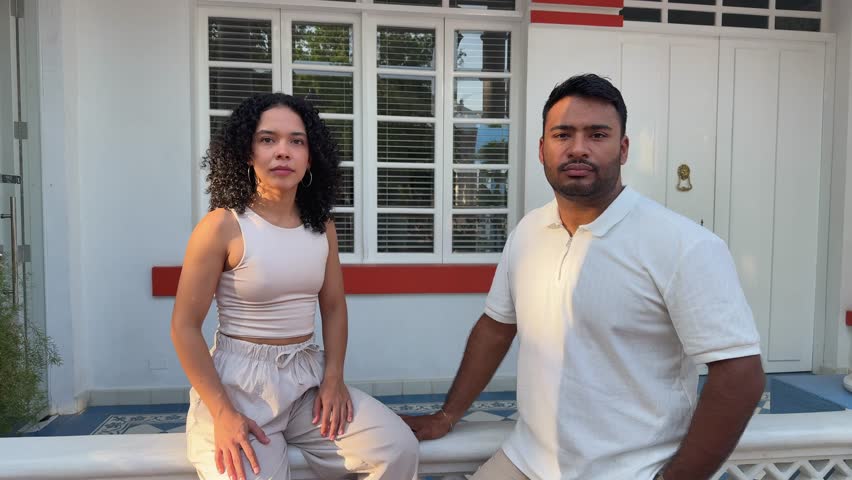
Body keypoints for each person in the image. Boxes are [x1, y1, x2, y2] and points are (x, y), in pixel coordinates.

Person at [402, 74, 765, 480]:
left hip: (631, 471)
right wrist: (448, 414)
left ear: (623, 149)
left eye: (597, 135)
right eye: (563, 134)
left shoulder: (684, 245)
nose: (578, 149)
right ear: (542, 149)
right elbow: (496, 327)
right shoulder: (528, 232)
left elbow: (739, 375)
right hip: (525, 461)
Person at [171, 93, 418, 480]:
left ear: (310, 155)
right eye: (267, 139)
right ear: (247, 153)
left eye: (296, 141)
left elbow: (334, 306)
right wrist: (222, 413)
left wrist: (333, 378)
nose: (283, 151)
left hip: (307, 381)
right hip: (239, 389)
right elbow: (184, 327)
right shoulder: (222, 226)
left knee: (396, 449)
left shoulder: (322, 227)